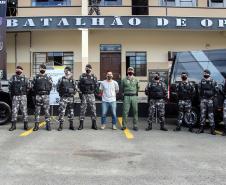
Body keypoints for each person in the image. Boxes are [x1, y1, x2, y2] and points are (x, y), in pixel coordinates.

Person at [8, 66, 30, 131]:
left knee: (24, 111)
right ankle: (13, 125)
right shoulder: (12, 78)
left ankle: (26, 125)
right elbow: (9, 87)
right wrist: (12, 95)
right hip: (15, 96)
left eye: (19, 69)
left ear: (22, 71)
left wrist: (25, 93)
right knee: (14, 111)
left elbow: (29, 86)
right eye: (17, 69)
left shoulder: (25, 78)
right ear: (15, 70)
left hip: (23, 96)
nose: (18, 70)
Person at [32, 64, 53, 131]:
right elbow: (32, 85)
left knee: (47, 111)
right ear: (39, 69)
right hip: (38, 96)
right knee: (37, 111)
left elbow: (51, 85)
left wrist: (47, 91)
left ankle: (48, 125)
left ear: (45, 69)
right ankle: (36, 125)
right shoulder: (36, 77)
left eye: (43, 68)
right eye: (41, 68)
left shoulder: (48, 77)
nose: (42, 69)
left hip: (46, 96)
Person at [197, 69, 218, 135]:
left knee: (210, 115)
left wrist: (213, 97)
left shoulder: (213, 81)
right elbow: (199, 90)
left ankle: (212, 130)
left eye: (206, 73)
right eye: (204, 73)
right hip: (203, 100)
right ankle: (201, 129)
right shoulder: (201, 81)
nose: (204, 74)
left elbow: (216, 90)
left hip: (210, 100)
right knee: (202, 114)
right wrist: (201, 97)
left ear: (209, 74)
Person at [78, 64, 98, 130]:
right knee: (82, 110)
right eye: (86, 68)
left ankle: (94, 124)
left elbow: (96, 85)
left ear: (91, 69)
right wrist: (80, 94)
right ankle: (81, 125)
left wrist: (94, 92)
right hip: (84, 95)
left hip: (91, 95)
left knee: (93, 110)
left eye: (89, 68)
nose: (88, 69)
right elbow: (79, 86)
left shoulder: (94, 76)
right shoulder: (82, 76)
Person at [57, 67, 77, 131]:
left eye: (67, 71)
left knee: (71, 111)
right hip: (63, 98)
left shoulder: (73, 80)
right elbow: (58, 88)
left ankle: (71, 125)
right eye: (65, 70)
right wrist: (62, 93)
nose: (66, 72)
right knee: (62, 111)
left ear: (70, 71)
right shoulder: (61, 79)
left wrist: (72, 93)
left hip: (71, 98)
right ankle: (60, 125)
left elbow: (76, 89)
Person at [121, 67, 140, 131]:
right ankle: (124, 125)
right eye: (129, 70)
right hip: (126, 97)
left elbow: (138, 87)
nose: (130, 71)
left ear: (133, 71)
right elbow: (122, 88)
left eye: (131, 70)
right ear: (127, 71)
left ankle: (135, 125)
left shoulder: (136, 79)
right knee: (125, 111)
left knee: (135, 111)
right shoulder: (124, 79)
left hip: (134, 97)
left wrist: (135, 93)